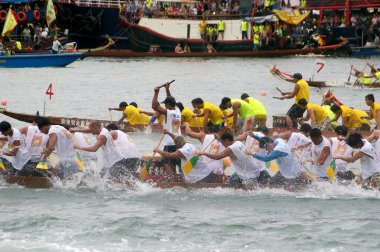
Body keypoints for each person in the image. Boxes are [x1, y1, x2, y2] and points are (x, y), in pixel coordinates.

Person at [152, 83, 182, 182]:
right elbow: (171, 99)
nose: (164, 105)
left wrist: (156, 92)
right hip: (180, 143)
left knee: (167, 164)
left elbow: (154, 106)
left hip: (169, 144)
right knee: (180, 164)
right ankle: (183, 181)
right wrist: (167, 89)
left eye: (165, 103)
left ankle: (172, 182)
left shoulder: (167, 112)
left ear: (168, 105)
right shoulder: (178, 110)